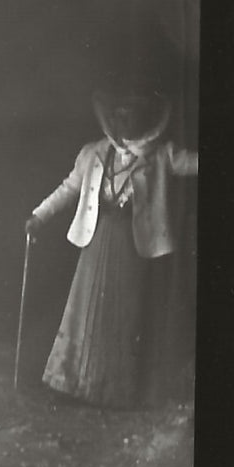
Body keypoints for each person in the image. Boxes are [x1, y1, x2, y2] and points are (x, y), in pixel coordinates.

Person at [26, 87, 198, 407]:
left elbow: (193, 163)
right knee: (82, 312)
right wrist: (39, 216)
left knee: (125, 314)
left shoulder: (161, 155)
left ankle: (115, 393)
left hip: (133, 248)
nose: (130, 144)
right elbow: (68, 189)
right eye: (124, 131)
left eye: (137, 135)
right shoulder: (92, 153)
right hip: (95, 243)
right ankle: (74, 385)